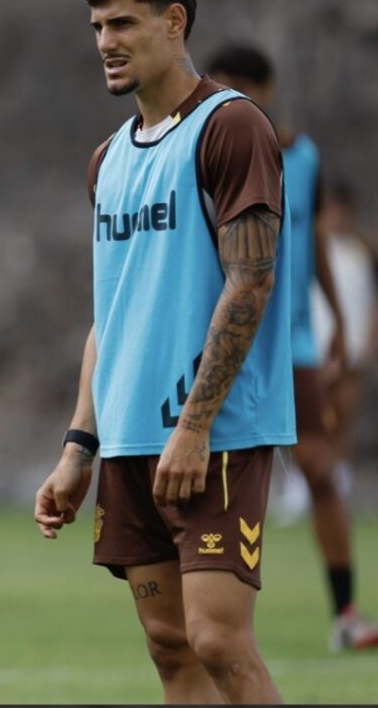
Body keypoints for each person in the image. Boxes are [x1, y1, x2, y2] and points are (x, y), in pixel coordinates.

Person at [34, 0, 295, 703]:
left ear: (174, 22)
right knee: (171, 648)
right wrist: (79, 447)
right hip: (127, 442)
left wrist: (194, 424)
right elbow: (109, 317)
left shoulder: (231, 127)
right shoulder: (106, 160)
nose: (105, 42)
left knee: (218, 639)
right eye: (96, 27)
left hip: (213, 437)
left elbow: (251, 282)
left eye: (123, 23)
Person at [206, 43, 378, 652]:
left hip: (294, 341)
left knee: (321, 470)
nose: (222, 100)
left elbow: (314, 242)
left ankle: (346, 613)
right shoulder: (206, 151)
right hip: (227, 337)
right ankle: (198, 620)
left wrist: (332, 314)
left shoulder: (303, 156)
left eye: (232, 87)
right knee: (204, 473)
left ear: (265, 88)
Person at [311, 180, 378, 493]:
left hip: (349, 352)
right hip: (316, 351)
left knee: (343, 419)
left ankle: (339, 478)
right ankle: (307, 482)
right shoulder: (316, 249)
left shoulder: (363, 252)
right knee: (314, 420)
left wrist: (366, 347)